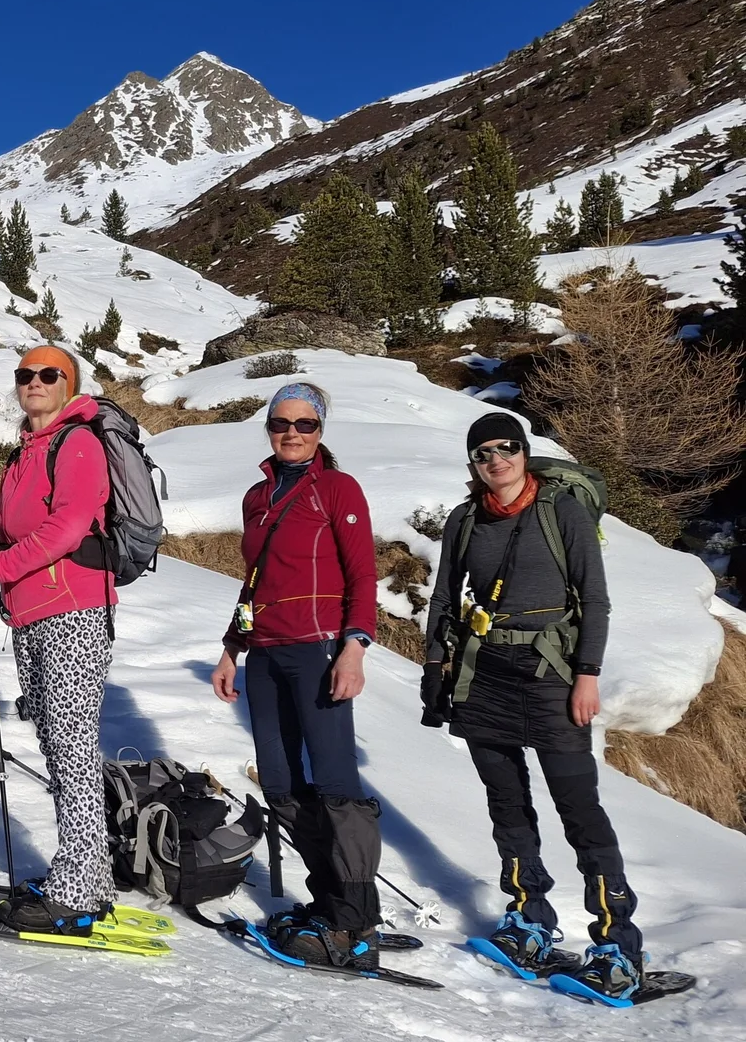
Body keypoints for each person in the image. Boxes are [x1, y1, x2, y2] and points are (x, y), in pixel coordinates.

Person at [422, 412, 639, 998]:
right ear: (472, 465)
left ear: (524, 452)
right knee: (507, 803)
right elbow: (444, 598)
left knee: (579, 808)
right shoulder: (465, 521)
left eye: (507, 448)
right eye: (484, 453)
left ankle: (617, 944)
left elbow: (595, 600)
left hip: (552, 676)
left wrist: (587, 676)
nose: (497, 460)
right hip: (483, 675)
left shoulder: (561, 511)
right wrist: (434, 669)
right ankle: (529, 919)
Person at [209, 382, 384, 968]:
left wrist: (354, 647)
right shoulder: (257, 497)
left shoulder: (338, 488)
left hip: (319, 650)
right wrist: (233, 648)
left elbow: (363, 576)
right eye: (280, 423)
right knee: (281, 785)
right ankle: (330, 899)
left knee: (337, 786)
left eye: (304, 423)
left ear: (321, 429)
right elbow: (253, 582)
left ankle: (357, 921)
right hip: (265, 654)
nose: (292, 432)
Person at [0, 346, 114, 934]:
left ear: (69, 385)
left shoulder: (79, 443)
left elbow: (67, 528)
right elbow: (10, 529)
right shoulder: (27, 451)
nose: (34, 383)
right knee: (57, 745)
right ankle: (86, 877)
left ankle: (75, 891)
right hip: (31, 614)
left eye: (49, 375)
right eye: (25, 375)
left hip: (72, 610)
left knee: (71, 748)